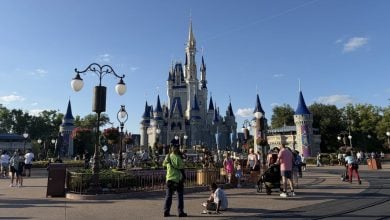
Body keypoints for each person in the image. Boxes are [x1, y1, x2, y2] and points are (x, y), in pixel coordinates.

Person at [162, 144, 187, 217]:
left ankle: (166, 211)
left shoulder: (168, 156)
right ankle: (180, 212)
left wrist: (169, 169)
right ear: (177, 149)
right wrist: (184, 177)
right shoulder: (178, 158)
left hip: (169, 179)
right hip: (178, 180)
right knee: (180, 196)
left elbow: (164, 166)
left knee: (168, 196)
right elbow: (182, 169)